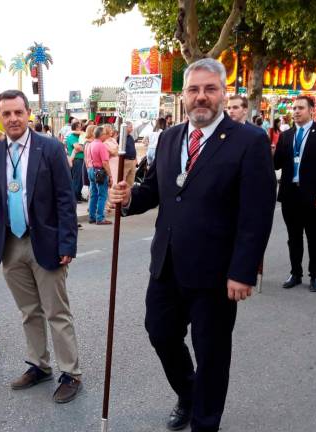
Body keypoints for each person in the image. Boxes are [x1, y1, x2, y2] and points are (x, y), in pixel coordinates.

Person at [108, 58, 275, 432]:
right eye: (194, 90)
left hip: (217, 273)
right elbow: (156, 190)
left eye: (209, 89)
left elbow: (256, 213)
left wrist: (242, 271)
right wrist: (129, 198)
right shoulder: (168, 138)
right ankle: (189, 391)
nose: (201, 97)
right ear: (182, 95)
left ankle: (205, 422)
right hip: (167, 264)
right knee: (160, 333)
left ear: (223, 93)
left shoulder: (250, 141)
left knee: (212, 353)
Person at [0, 89, 82, 404]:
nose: (13, 119)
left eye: (18, 112)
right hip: (11, 243)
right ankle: (39, 365)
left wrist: (68, 241)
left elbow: (65, 198)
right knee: (29, 311)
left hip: (45, 241)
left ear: (28, 113)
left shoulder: (51, 148)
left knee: (57, 311)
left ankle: (70, 372)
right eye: (7, 114)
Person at [273, 96, 316, 292]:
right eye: (294, 108)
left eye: (300, 108)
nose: (296, 111)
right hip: (289, 193)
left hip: (312, 194)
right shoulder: (286, 135)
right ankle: (295, 273)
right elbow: (277, 164)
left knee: (313, 235)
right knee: (293, 236)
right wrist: (268, 150)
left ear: (311, 110)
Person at [88, 126, 112, 225]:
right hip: (100, 171)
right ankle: (100, 218)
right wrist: (110, 175)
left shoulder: (91, 144)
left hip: (91, 170)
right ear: (101, 135)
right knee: (102, 195)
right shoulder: (101, 145)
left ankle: (92, 216)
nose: (106, 135)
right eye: (105, 133)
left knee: (93, 194)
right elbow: (105, 162)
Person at [65, 122, 85, 202]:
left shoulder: (80, 136)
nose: (81, 128)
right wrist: (85, 147)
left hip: (81, 159)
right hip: (77, 160)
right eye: (80, 127)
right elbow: (78, 147)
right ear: (76, 128)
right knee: (77, 179)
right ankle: (75, 197)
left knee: (81, 180)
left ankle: (78, 195)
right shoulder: (71, 137)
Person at [123, 121, 138, 186]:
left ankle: (129, 194)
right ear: (126, 128)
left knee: (131, 181)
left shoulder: (131, 137)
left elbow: (133, 149)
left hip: (132, 161)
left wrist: (136, 159)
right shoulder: (121, 137)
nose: (132, 129)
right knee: (123, 179)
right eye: (130, 127)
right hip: (125, 161)